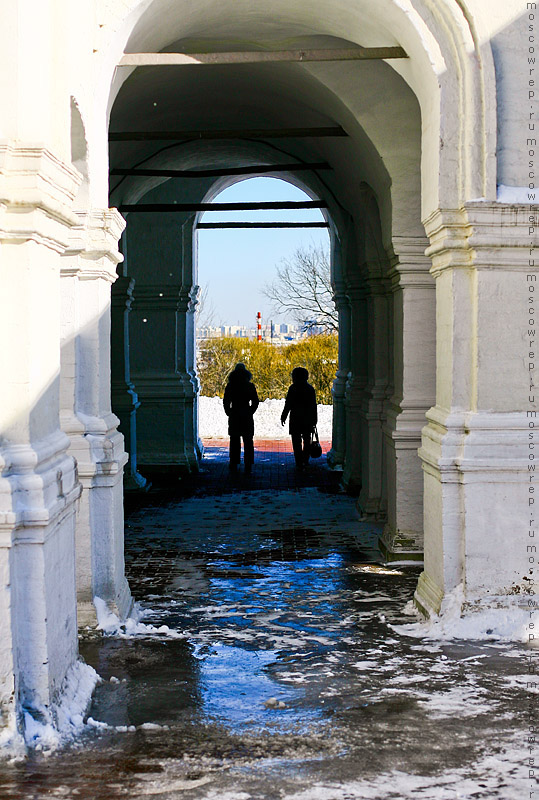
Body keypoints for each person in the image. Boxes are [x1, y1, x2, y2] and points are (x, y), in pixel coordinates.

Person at [223, 363, 259, 473]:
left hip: (234, 414)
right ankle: (248, 463)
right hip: (246, 414)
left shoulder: (230, 386)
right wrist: (250, 411)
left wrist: (229, 412)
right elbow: (255, 401)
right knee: (248, 440)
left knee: (234, 440)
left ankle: (234, 462)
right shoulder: (249, 386)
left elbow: (226, 401)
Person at [281, 367, 317, 470]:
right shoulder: (310, 389)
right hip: (307, 418)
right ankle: (305, 459)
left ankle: (298, 461)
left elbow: (288, 404)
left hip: (295, 418)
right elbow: (313, 406)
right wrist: (314, 420)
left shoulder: (293, 388)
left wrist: (284, 416)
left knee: (296, 440)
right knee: (307, 439)